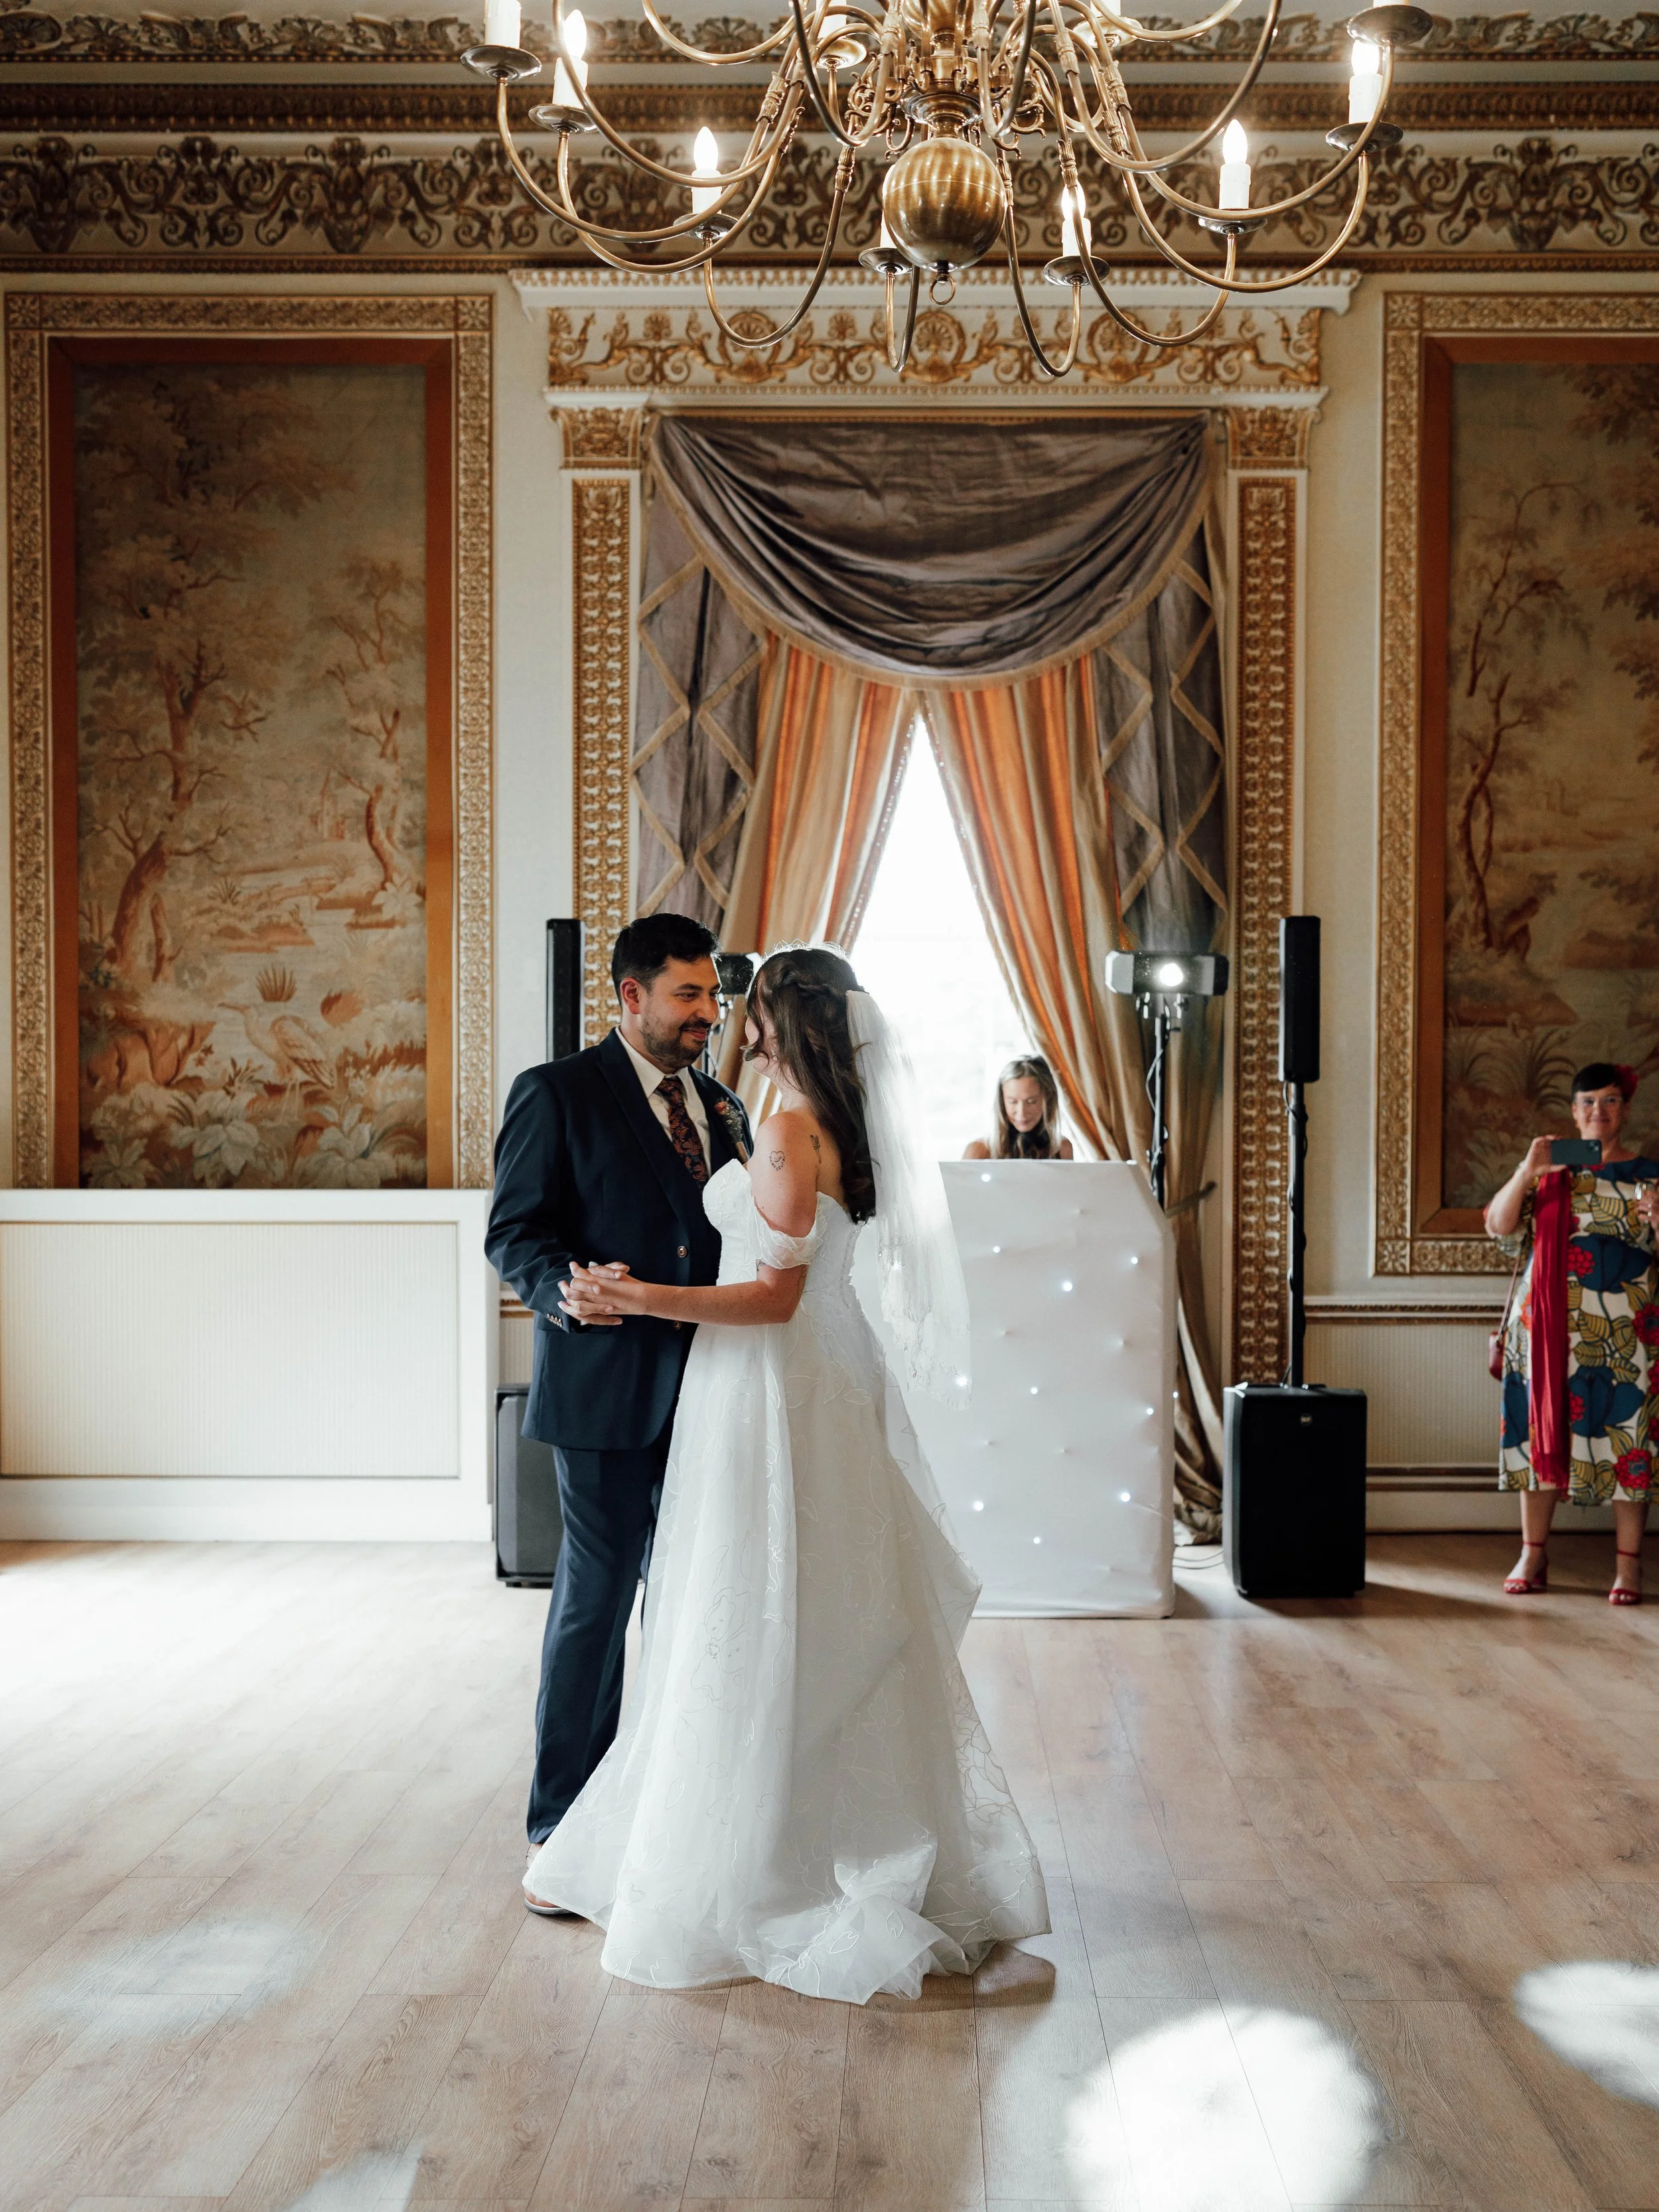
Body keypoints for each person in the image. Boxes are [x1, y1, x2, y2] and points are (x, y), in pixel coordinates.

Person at [531, 944, 1050, 2002]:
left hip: (770, 1386)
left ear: (784, 1022)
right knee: (812, 1603)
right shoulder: (830, 1127)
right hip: (819, 1383)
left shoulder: (779, 1128)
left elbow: (772, 1297)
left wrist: (635, 1297)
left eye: (747, 1006)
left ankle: (755, 1853)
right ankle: (808, 1818)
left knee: (751, 1596)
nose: (731, 1018)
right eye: (705, 997)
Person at [484, 913, 753, 1895]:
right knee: (595, 1605)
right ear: (631, 996)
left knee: (694, 1603)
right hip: (603, 1388)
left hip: (720, 1392)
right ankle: (561, 1828)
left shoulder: (725, 1106)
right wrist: (562, 1289)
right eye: (688, 995)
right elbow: (514, 1230)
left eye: (712, 995)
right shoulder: (555, 1092)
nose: (706, 1013)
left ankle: (678, 1817)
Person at [1485, 1061, 1658, 1605]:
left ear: (1624, 1109)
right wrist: (1527, 1169)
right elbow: (1500, 1226)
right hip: (1544, 1335)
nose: (1598, 1111)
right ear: (1573, 1111)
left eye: (1609, 1100)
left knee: (1628, 1441)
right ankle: (1532, 1554)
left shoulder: (1650, 1174)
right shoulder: (1550, 1170)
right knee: (1540, 1432)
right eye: (1588, 1101)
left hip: (1626, 1335)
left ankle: (1628, 1566)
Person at [964, 1053, 1074, 1159]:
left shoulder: (1062, 1149)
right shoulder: (978, 1150)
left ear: (1048, 1099)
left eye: (1031, 1102)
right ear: (1002, 1101)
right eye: (1013, 1102)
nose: (1022, 1113)